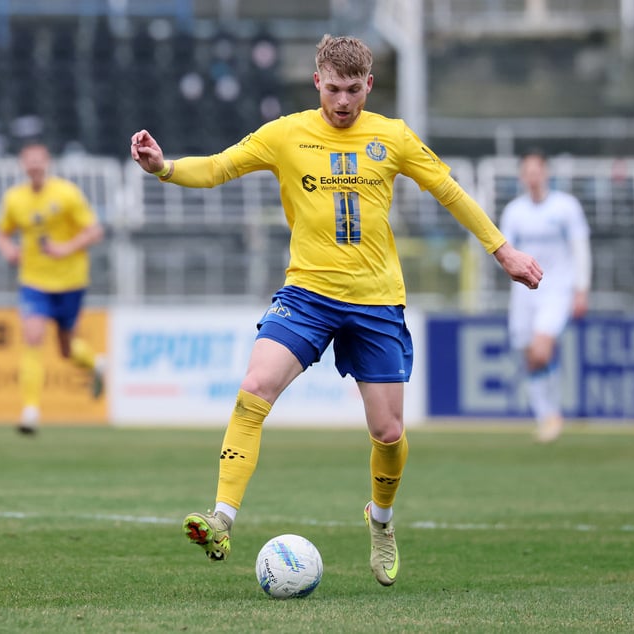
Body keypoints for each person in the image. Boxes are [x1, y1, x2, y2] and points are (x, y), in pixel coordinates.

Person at [130, 34, 543, 587]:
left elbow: (449, 191)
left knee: (389, 433)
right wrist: (164, 166)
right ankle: (222, 517)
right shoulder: (285, 134)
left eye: (353, 90)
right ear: (316, 83)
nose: (343, 102)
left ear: (368, 85)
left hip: (375, 301)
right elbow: (219, 169)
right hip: (307, 294)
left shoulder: (392, 136)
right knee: (255, 387)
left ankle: (381, 519)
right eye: (333, 89)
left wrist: (503, 250)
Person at [0, 143, 106, 435]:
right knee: (32, 336)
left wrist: (65, 248)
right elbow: (2, 232)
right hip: (33, 281)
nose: (34, 166)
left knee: (66, 350)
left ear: (47, 163)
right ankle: (30, 411)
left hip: (70, 281)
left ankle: (95, 363)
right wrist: (8, 249)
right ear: (22, 165)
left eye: (38, 161)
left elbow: (95, 230)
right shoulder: (14, 199)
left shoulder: (66, 194)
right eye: (28, 161)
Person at [498, 150, 591, 443]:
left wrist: (581, 289)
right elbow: (505, 251)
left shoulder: (566, 207)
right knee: (530, 356)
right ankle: (546, 416)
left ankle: (551, 416)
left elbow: (580, 249)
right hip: (524, 294)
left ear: (546, 173)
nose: (533, 177)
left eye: (537, 171)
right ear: (522, 176)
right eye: (527, 172)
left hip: (556, 289)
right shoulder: (514, 211)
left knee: (541, 350)